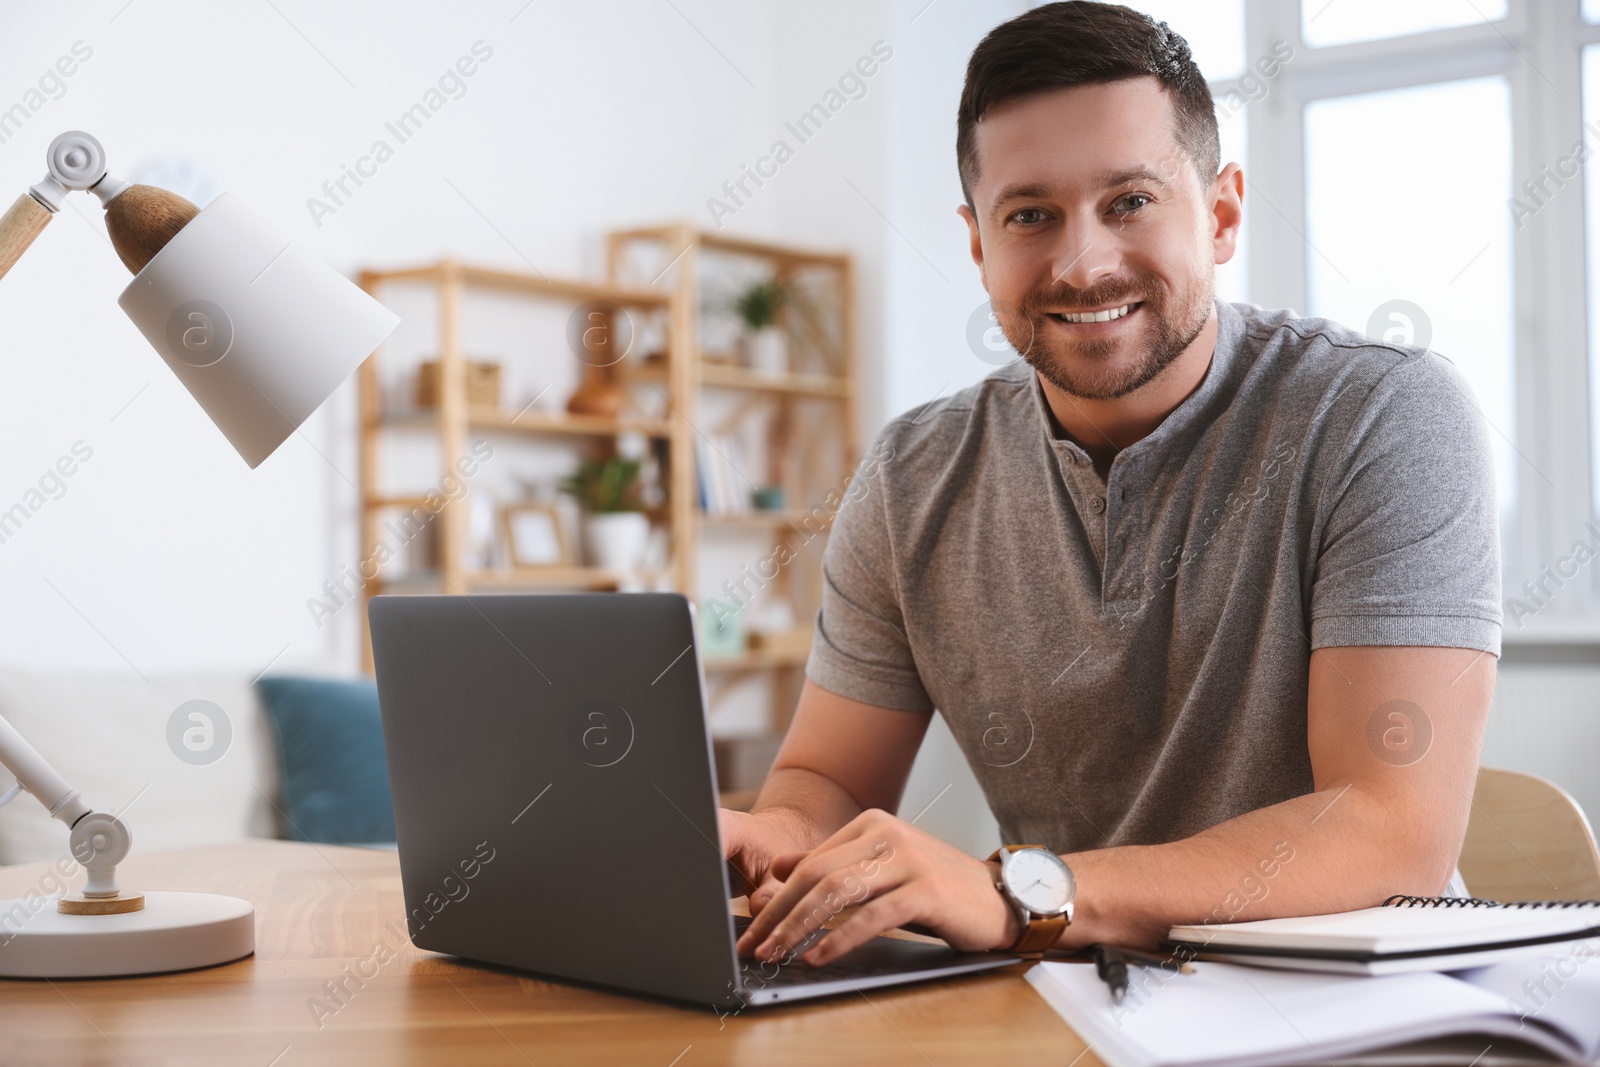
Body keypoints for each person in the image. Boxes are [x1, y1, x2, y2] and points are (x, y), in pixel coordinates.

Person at [720, 0, 1500, 968]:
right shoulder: (910, 480)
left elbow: (1392, 833)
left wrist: (1021, 891)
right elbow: (825, 778)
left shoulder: (1382, 417)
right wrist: (780, 835)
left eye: (1128, 201)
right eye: (1029, 215)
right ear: (976, 245)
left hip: (1369, 1007)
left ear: (1218, 214)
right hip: (1077, 1004)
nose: (1083, 262)